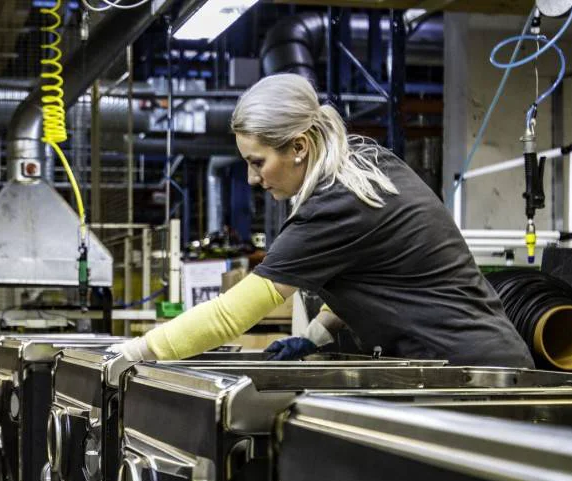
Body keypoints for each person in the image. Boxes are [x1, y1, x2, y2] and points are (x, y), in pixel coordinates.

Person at [113, 74, 533, 368]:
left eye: (257, 162)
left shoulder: (338, 204)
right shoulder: (367, 164)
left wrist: (135, 353)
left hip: (472, 375)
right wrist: (313, 337)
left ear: (298, 146)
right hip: (481, 362)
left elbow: (230, 317)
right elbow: (375, 280)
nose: (252, 178)